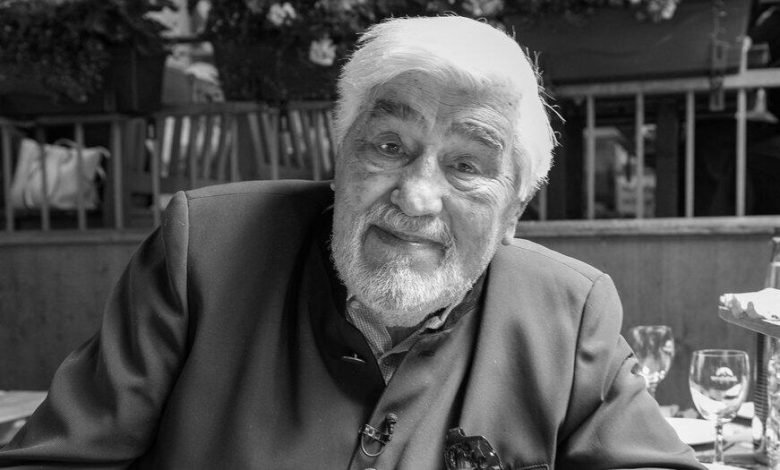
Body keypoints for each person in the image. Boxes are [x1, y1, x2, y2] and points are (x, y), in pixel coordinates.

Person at [0, 16, 704, 470]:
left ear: (514, 210)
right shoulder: (204, 252)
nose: (416, 196)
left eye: (467, 165)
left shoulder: (570, 313)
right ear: (340, 158)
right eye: (389, 145)